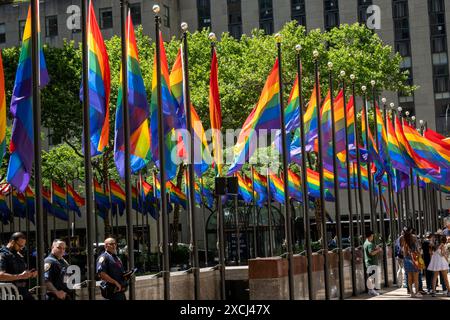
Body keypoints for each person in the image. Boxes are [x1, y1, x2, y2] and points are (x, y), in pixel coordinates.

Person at [0, 232, 37, 300]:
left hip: (22, 291)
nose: (21, 248)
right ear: (12, 242)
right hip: (9, 293)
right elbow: (0, 275)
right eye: (20, 246)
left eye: (23, 246)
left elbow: (20, 272)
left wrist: (30, 274)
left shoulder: (18, 255)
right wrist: (20, 276)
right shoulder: (2, 254)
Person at [401, 229, 422, 298]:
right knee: (416, 278)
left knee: (409, 278)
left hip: (407, 260)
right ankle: (417, 292)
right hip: (414, 260)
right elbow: (418, 252)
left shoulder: (405, 243)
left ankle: (411, 293)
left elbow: (404, 253)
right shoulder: (414, 242)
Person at [363, 230, 382, 296]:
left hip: (368, 262)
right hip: (371, 262)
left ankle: (371, 290)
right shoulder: (370, 244)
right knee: (371, 277)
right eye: (372, 236)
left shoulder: (365, 243)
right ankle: (371, 290)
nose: (373, 237)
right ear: (370, 236)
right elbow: (371, 253)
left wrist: (375, 248)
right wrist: (378, 250)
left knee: (370, 277)